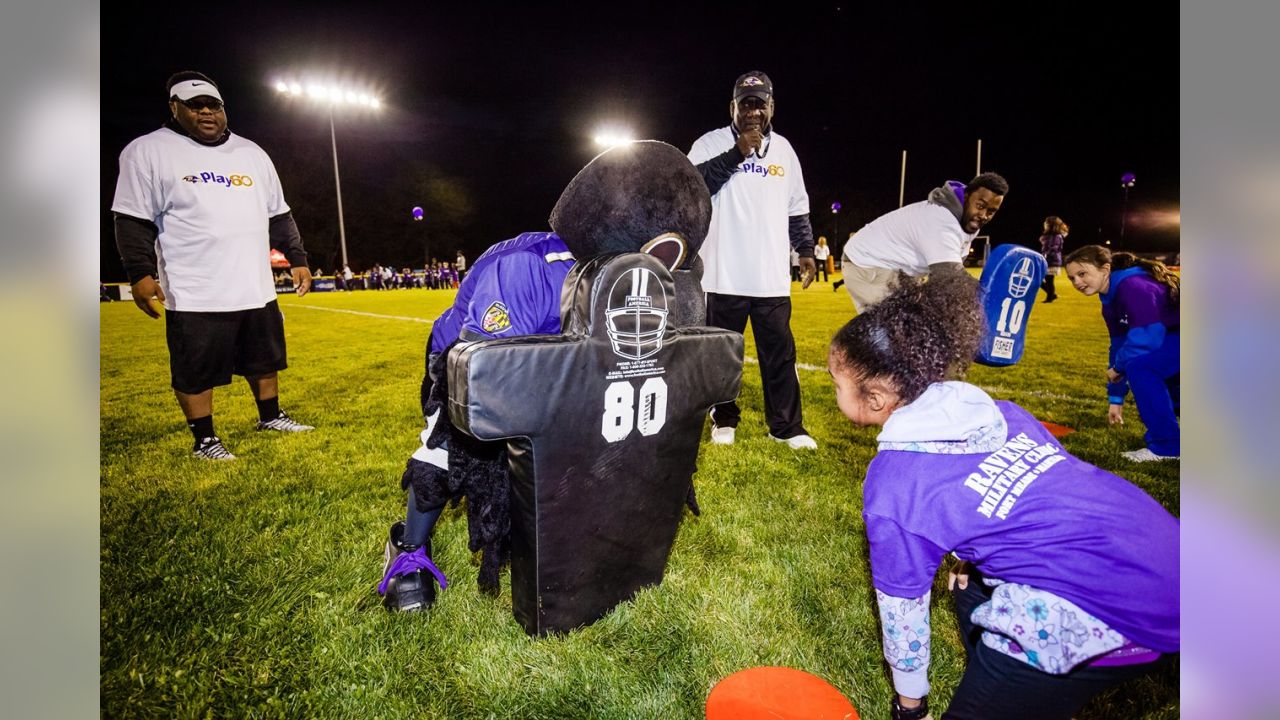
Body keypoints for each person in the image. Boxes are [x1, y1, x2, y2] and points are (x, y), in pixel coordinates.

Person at [379, 140, 714, 612]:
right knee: (451, 441)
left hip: (569, 368)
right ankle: (408, 548)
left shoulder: (639, 287)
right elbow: (480, 376)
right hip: (466, 365)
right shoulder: (527, 269)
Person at [827, 273, 1178, 720]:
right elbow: (1034, 493)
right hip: (1169, 557)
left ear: (875, 398)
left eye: (838, 385)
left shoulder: (896, 486)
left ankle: (1015, 686)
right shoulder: (1004, 414)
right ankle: (1009, 687)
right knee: (969, 582)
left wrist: (909, 706)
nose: (835, 391)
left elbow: (902, 611)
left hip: (1111, 607)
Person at [112, 71, 314, 461]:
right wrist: (139, 272)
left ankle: (271, 416)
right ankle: (204, 439)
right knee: (195, 367)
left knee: (264, 357)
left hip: (254, 284)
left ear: (224, 109)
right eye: (195, 105)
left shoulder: (251, 153)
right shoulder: (148, 151)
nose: (206, 112)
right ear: (174, 108)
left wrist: (298, 258)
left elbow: (279, 215)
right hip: (195, 287)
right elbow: (132, 218)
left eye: (213, 105)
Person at [688, 70, 818, 450]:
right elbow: (692, 189)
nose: (753, 112)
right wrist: (737, 153)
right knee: (722, 357)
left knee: (780, 357)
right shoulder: (710, 143)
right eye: (746, 104)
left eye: (760, 104)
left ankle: (787, 428)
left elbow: (797, 208)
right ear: (733, 107)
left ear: (771, 107)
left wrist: (806, 251)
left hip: (771, 279)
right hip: (722, 274)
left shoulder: (785, 151)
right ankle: (724, 419)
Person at [1064, 245, 1180, 462]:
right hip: (1176, 336)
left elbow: (1148, 336)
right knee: (1153, 369)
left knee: (1141, 367)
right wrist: (1115, 399)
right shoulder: (1109, 299)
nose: (1077, 282)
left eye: (1082, 274)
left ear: (1105, 269)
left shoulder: (1133, 286)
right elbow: (1118, 345)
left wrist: (1119, 367)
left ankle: (1169, 447)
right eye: (1072, 278)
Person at [839, 173, 1008, 312]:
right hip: (869, 263)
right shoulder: (942, 219)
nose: (984, 215)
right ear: (966, 196)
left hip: (899, 271)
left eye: (991, 211)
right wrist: (991, 295)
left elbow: (942, 280)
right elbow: (949, 276)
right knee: (895, 332)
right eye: (980, 205)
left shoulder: (966, 221)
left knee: (920, 327)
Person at [1038, 216, 1067, 302]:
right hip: (1048, 260)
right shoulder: (1050, 235)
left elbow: (1053, 248)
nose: (1044, 224)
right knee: (1042, 280)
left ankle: (1050, 298)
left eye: (1046, 223)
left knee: (1049, 280)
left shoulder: (1056, 236)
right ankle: (1052, 295)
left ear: (1051, 225)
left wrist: (1045, 256)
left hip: (1052, 261)